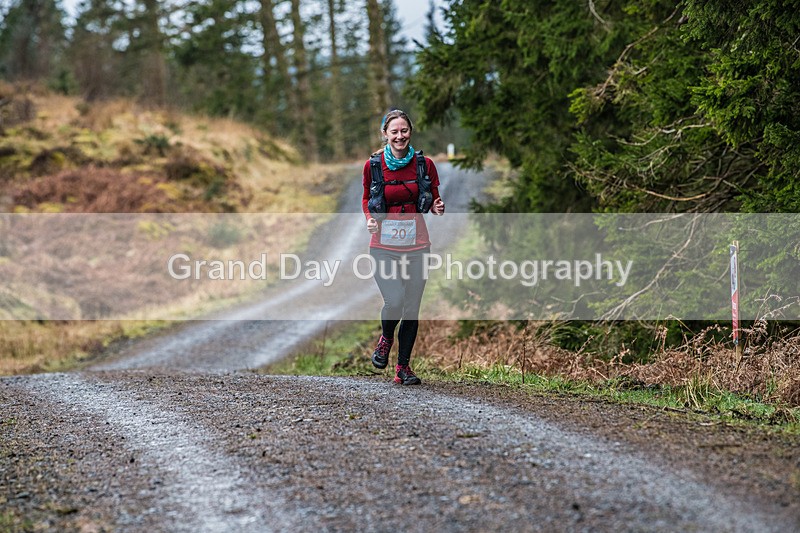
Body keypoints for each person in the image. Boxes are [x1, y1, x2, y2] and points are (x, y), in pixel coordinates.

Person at [361, 109, 445, 385]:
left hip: (417, 245)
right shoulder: (373, 166)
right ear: (385, 134)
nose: (400, 136)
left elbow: (433, 197)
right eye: (394, 131)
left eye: (404, 130)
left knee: (411, 308)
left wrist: (437, 205)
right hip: (383, 246)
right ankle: (385, 339)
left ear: (410, 132)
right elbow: (366, 200)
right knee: (394, 300)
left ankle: (403, 368)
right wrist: (371, 219)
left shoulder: (425, 164)